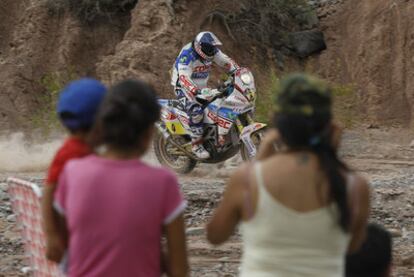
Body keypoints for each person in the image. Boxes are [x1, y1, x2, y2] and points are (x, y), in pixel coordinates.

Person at [207, 74, 370, 276]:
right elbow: (351, 246)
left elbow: (215, 236)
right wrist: (333, 154)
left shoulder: (247, 180)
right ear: (329, 125)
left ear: (277, 123)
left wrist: (259, 160)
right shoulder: (355, 187)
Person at [51, 79, 188, 277]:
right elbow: (179, 270)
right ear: (149, 132)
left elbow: (66, 247)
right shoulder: (164, 182)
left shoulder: (72, 173)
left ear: (102, 124)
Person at [42, 78, 107, 262]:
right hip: (76, 246)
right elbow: (49, 191)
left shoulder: (83, 150)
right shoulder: (71, 153)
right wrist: (52, 236)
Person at [171, 31, 239, 159]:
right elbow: (184, 77)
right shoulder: (187, 55)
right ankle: (196, 145)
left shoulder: (212, 52)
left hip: (201, 87)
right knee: (196, 112)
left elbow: (227, 62)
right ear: (199, 46)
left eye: (212, 48)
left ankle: (220, 138)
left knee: (223, 102)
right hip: (183, 88)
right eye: (208, 48)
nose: (211, 51)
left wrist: (239, 71)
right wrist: (195, 90)